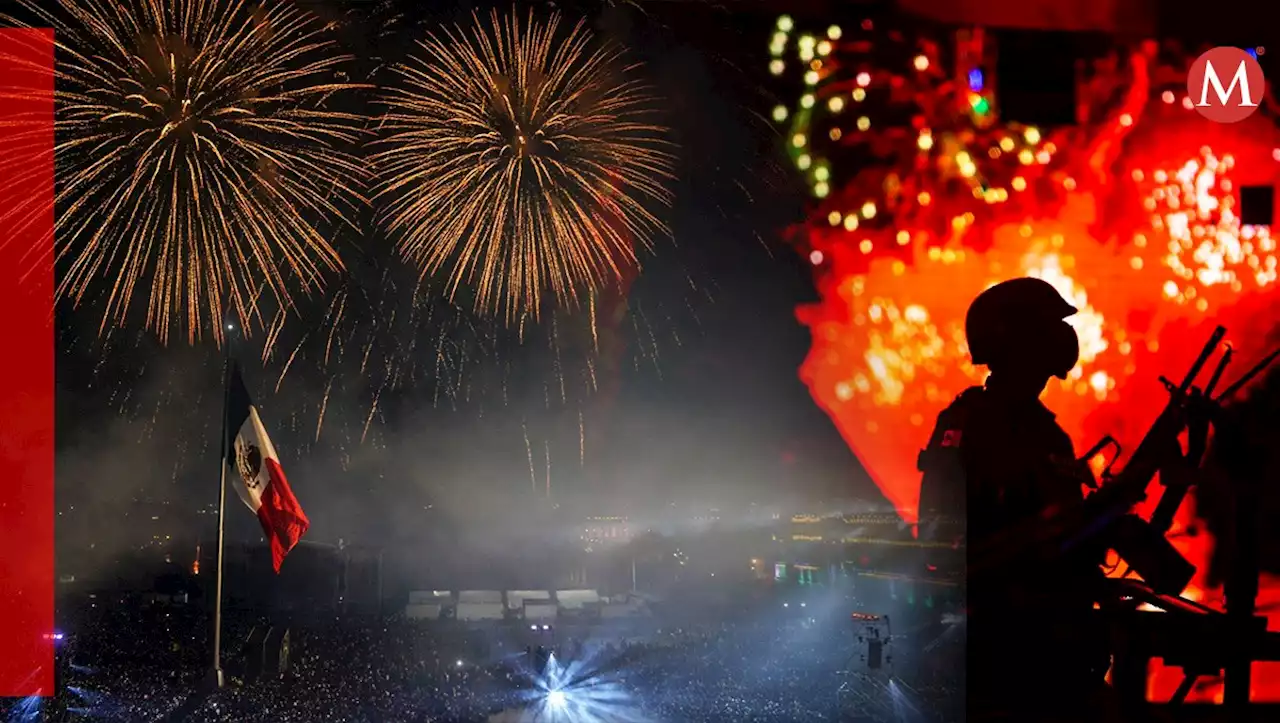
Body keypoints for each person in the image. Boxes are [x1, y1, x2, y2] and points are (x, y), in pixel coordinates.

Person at [916, 278, 1113, 722]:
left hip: (1051, 646)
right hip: (1004, 650)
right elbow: (950, 544)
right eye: (1045, 331)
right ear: (1019, 342)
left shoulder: (1045, 433)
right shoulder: (971, 426)